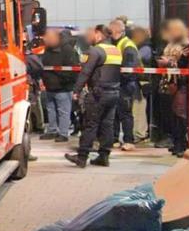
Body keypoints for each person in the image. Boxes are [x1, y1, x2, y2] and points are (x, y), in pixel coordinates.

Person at [65, 25, 122, 168]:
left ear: (98, 35)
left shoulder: (96, 51)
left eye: (92, 34)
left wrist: (76, 91)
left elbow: (86, 72)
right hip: (114, 93)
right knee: (107, 125)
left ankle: (82, 157)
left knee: (90, 124)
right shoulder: (116, 50)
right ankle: (104, 156)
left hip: (98, 94)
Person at [38, 29, 79, 143]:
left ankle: (63, 133)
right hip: (50, 86)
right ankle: (52, 130)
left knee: (63, 111)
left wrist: (63, 80)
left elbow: (73, 69)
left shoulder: (67, 50)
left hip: (63, 88)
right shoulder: (48, 49)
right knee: (51, 110)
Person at [157, 18, 189, 156]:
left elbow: (185, 64)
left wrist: (169, 63)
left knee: (180, 113)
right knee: (172, 114)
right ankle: (176, 141)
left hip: (180, 83)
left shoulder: (186, 45)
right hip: (170, 81)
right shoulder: (171, 44)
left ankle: (181, 144)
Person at [108, 18, 140, 151]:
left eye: (110, 31)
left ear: (117, 30)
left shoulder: (128, 46)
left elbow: (129, 70)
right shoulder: (116, 44)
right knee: (114, 113)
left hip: (126, 85)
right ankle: (114, 139)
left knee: (125, 114)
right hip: (116, 84)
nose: (109, 34)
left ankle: (129, 140)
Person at [131, 26, 154, 143]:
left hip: (142, 82)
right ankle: (139, 132)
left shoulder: (144, 48)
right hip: (142, 81)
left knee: (139, 108)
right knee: (138, 108)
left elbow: (136, 60)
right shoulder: (145, 47)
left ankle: (140, 133)